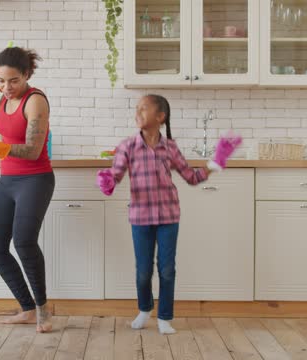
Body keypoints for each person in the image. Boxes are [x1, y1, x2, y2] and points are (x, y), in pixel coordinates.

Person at [96, 94, 241, 334]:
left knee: (167, 269)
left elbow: (191, 177)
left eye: (144, 109)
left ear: (160, 117)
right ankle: (144, 309)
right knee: (143, 271)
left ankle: (164, 317)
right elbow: (117, 174)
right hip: (140, 218)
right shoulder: (127, 146)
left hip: (168, 217)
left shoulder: (170, 148)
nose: (137, 113)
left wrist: (215, 163)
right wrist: (107, 180)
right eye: (137, 109)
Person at [0, 46, 54, 333]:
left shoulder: (35, 101)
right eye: (1, 81)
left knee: (24, 243)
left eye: (13, 81)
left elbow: (32, 150)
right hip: (7, 181)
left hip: (35, 179)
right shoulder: (1, 98)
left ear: (28, 75)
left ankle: (44, 309)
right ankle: (27, 308)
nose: (7, 87)